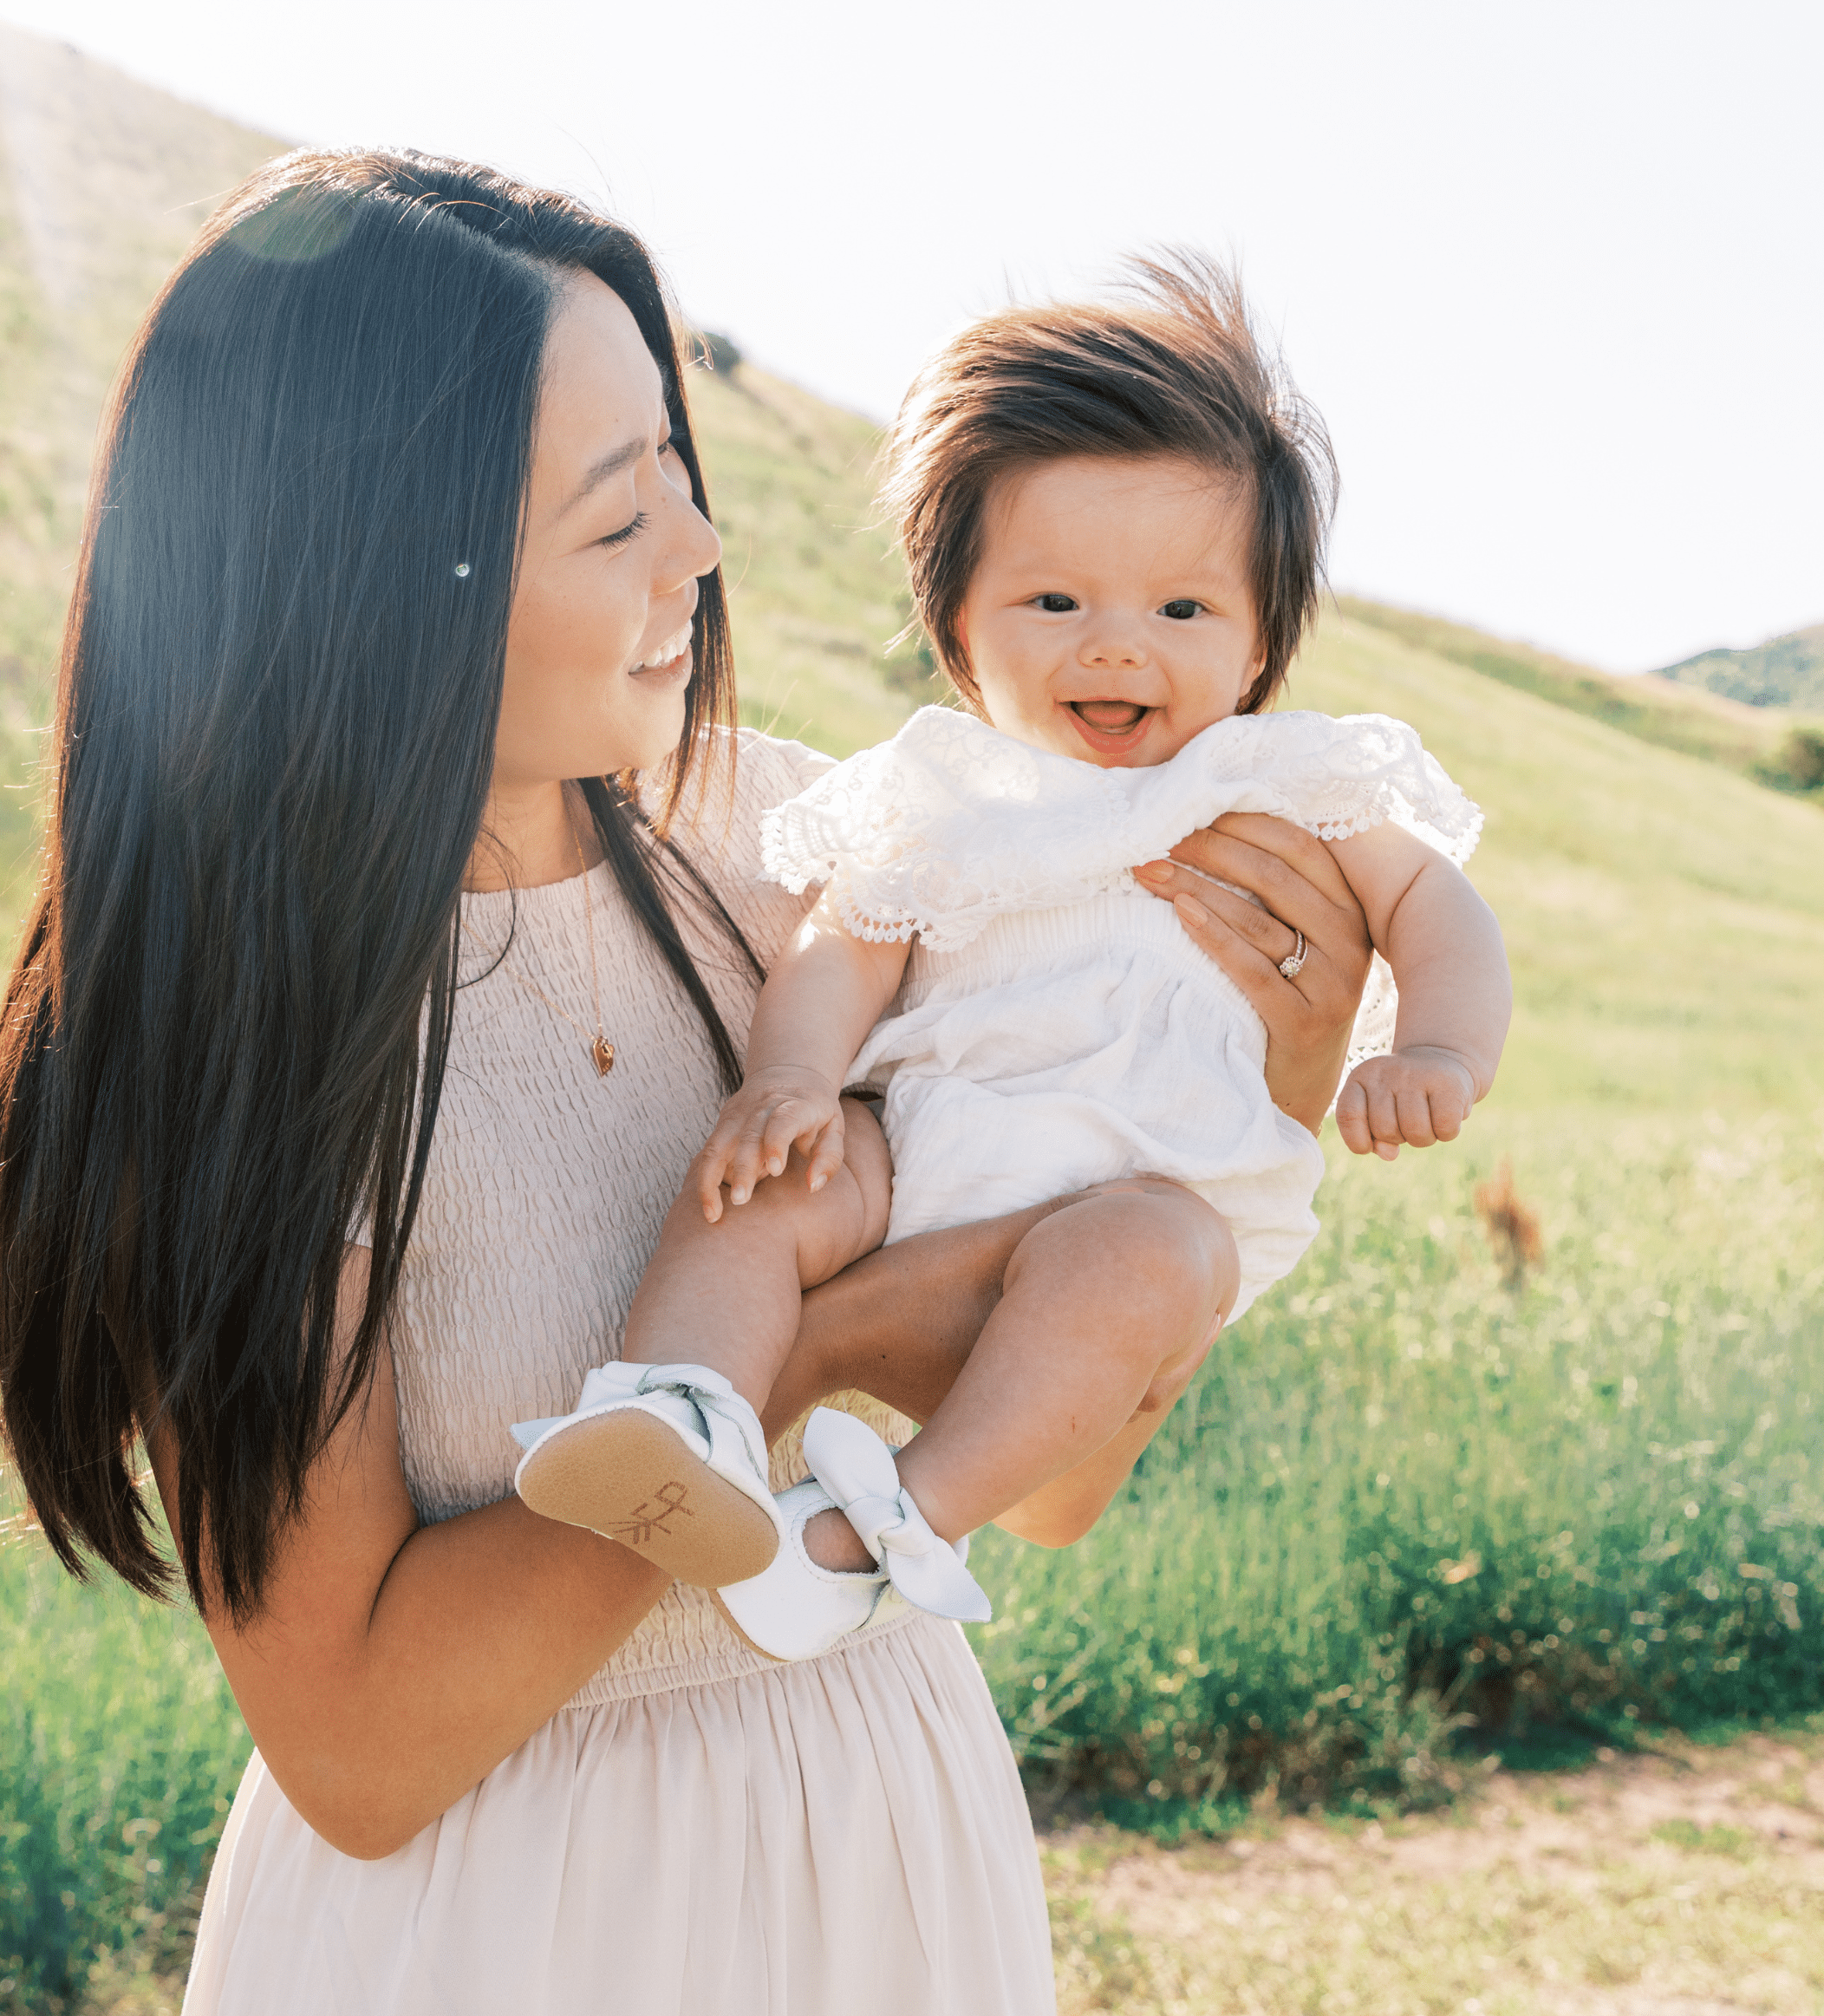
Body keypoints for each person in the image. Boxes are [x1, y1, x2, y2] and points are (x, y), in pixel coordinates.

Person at [0, 155, 1378, 2016]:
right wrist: (779, 1361)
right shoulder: (239, 1025)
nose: (700, 549)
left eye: (680, 469)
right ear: (389, 562)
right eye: (619, 509)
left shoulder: (813, 865)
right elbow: (358, 1745)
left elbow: (1055, 1487)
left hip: (877, 1851)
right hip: (510, 1972)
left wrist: (1257, 1096)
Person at [511, 260, 1512, 1661]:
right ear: (957, 627)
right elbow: (843, 939)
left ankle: (879, 1532)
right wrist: (792, 1076)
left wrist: (1437, 1050)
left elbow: (1438, 909)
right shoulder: (943, 792)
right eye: (1053, 602)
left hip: (1138, 1190)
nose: (1117, 646)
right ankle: (682, 1413)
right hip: (921, 1144)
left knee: (1145, 1259)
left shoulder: (1284, 779)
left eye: (1182, 611)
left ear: (1265, 638)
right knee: (769, 1175)